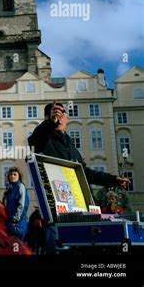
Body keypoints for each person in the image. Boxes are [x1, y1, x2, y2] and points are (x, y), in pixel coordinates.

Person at [28, 101, 130, 254]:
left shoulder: (71, 146)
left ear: (67, 118)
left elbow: (86, 173)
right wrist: (50, 122)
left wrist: (113, 179)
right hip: (56, 211)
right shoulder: (44, 140)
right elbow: (34, 141)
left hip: (79, 209)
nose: (59, 117)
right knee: (56, 248)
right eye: (55, 114)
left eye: (62, 114)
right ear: (47, 118)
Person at [3, 167, 29, 241]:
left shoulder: (20, 187)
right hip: (10, 224)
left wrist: (15, 220)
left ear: (19, 176)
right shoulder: (10, 188)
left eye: (15, 174)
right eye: (11, 174)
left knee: (18, 250)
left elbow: (22, 205)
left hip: (18, 224)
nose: (12, 176)